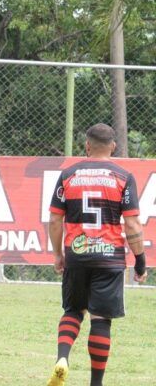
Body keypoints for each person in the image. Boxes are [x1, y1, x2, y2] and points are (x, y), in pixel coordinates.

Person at [46, 123, 148, 386]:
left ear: (87, 146)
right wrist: (140, 260)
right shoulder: (124, 177)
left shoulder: (68, 175)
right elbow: (133, 225)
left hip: (77, 256)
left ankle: (63, 358)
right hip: (109, 257)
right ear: (113, 146)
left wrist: (58, 254)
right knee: (101, 319)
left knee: (72, 310)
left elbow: (55, 221)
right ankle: (96, 383)